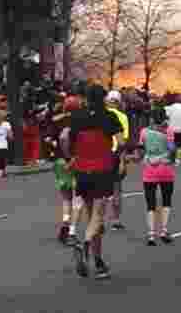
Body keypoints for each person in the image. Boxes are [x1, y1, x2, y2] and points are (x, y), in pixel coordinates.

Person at [63, 84, 124, 280]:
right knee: (98, 215)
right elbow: (121, 142)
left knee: (90, 214)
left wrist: (71, 156)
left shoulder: (77, 117)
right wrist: (115, 154)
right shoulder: (109, 117)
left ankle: (98, 261)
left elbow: (65, 137)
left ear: (87, 98)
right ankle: (87, 243)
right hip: (102, 169)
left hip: (82, 170)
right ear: (104, 99)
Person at [137, 107, 176, 245]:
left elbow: (140, 151)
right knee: (166, 200)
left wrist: (146, 157)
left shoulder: (144, 132)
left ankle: (151, 234)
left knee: (150, 203)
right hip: (165, 169)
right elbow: (172, 150)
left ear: (152, 119)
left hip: (149, 169)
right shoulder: (169, 131)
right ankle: (164, 230)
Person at [52, 94, 81, 244]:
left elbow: (52, 139)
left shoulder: (57, 120)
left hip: (59, 162)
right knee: (77, 198)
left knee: (66, 198)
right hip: (74, 161)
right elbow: (65, 137)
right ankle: (72, 231)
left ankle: (65, 221)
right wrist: (71, 157)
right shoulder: (80, 121)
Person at [104, 90, 130, 231]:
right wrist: (122, 161)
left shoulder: (101, 115)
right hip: (115, 154)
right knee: (116, 189)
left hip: (101, 154)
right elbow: (123, 141)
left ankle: (98, 217)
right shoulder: (123, 117)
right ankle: (116, 219)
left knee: (100, 189)